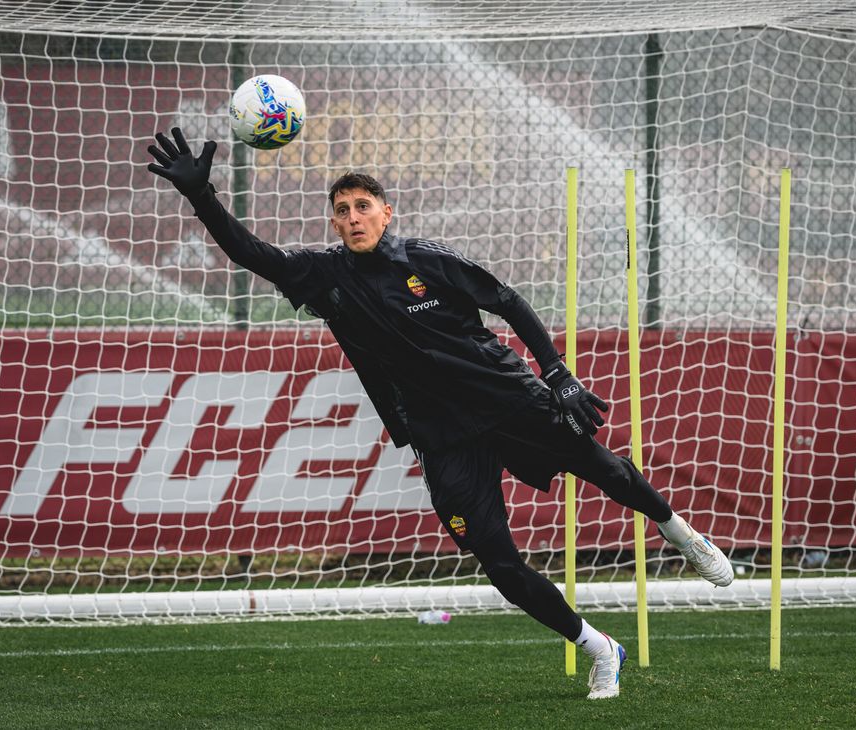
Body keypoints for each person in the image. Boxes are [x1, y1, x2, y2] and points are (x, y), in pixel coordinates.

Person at [146, 128, 734, 700]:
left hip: (507, 398)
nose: (352, 217)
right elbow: (253, 254)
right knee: (500, 565)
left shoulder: (428, 260)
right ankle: (600, 648)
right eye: (342, 209)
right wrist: (202, 195)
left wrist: (556, 372)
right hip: (442, 434)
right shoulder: (323, 276)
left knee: (605, 470)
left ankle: (679, 533)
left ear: (386, 212)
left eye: (363, 206)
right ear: (333, 221)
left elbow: (507, 302)